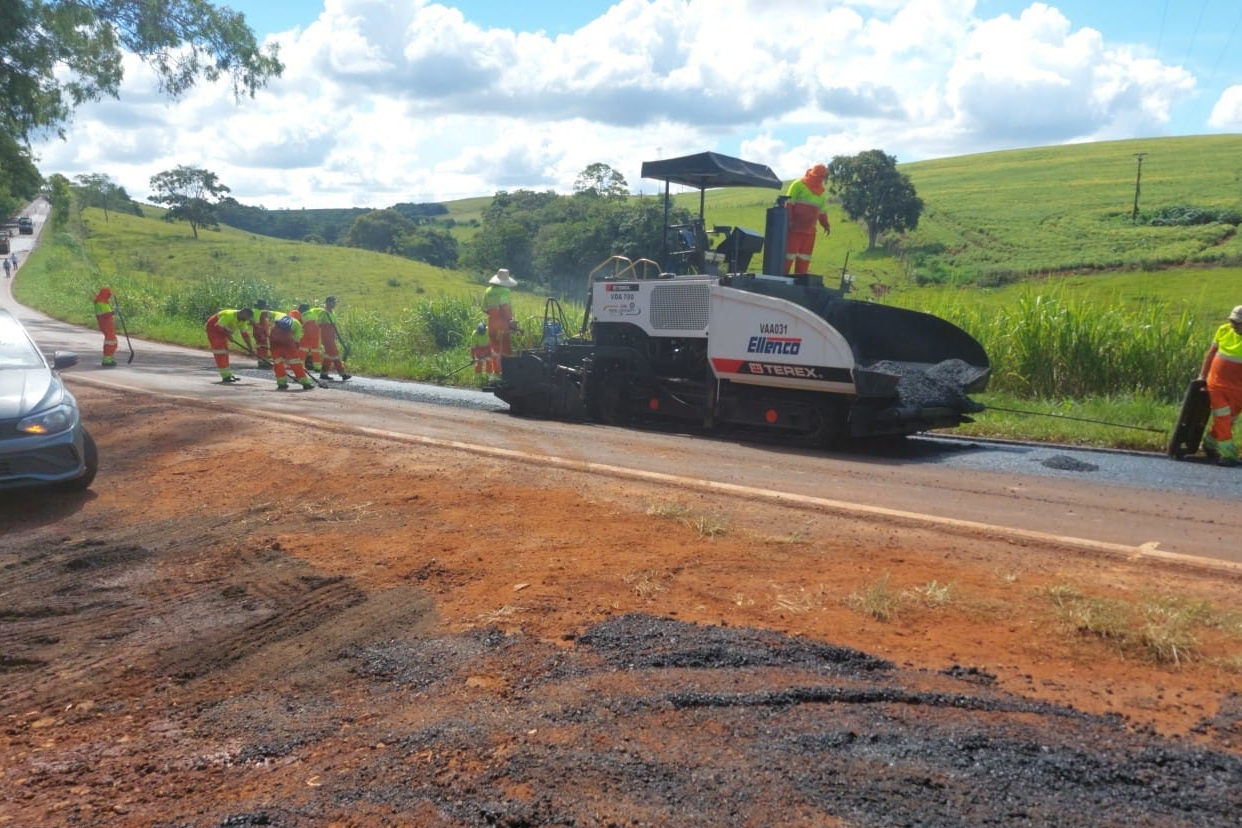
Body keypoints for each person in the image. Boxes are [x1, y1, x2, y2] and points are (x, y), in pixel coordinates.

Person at [1198, 304, 1242, 467]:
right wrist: (1202, 376)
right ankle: (1228, 455)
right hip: (1217, 385)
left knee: (1228, 420)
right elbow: (1210, 354)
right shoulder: (1223, 330)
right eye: (1233, 321)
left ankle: (1209, 444)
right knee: (1222, 418)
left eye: (1238, 323)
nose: (1234, 325)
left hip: (1239, 390)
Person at [784, 163, 831, 275]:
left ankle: (800, 282)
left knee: (804, 258)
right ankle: (781, 279)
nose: (820, 179)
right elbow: (788, 203)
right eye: (819, 177)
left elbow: (822, 212)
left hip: (809, 233)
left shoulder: (821, 193)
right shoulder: (798, 184)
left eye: (822, 177)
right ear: (813, 174)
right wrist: (789, 221)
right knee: (787, 257)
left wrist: (825, 224)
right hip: (794, 229)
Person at [266, 313, 316, 391]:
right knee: (295, 361)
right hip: (286, 338)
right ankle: (305, 382)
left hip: (273, 336)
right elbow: (296, 341)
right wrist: (293, 353)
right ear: (299, 318)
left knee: (277, 361)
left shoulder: (280, 315)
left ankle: (281, 383)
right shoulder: (297, 323)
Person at [204, 307, 255, 382]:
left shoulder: (242, 321)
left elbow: (245, 335)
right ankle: (225, 377)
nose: (247, 320)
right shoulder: (229, 315)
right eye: (248, 317)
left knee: (225, 352)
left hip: (222, 332)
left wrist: (250, 348)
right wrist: (228, 335)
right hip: (213, 329)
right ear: (243, 313)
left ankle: (228, 374)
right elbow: (218, 326)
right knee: (220, 352)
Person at [483, 268, 516, 374]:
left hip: (491, 325)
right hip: (503, 325)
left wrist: (494, 315)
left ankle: (495, 373)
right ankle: (505, 373)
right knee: (505, 349)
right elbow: (504, 306)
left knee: (495, 350)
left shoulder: (488, 290)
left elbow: (484, 308)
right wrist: (510, 320)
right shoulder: (505, 291)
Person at [316, 295, 352, 381]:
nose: (335, 304)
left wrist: (335, 334)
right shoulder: (323, 313)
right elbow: (318, 323)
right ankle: (342, 374)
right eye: (333, 302)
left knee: (330, 356)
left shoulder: (332, 312)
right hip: (326, 337)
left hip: (331, 337)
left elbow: (334, 325)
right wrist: (327, 327)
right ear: (328, 303)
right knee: (335, 354)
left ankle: (324, 373)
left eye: (335, 302)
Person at [93, 286, 119, 367]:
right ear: (105, 294)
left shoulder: (104, 302)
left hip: (108, 325)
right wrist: (113, 312)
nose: (109, 296)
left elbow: (107, 313)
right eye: (108, 295)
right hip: (105, 325)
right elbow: (104, 315)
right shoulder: (100, 303)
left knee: (113, 342)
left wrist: (113, 311)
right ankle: (107, 360)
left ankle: (109, 358)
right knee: (110, 342)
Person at [251, 299, 272, 366]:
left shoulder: (258, 311)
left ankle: (263, 360)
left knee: (263, 346)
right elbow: (256, 323)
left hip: (261, 331)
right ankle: (262, 362)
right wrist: (261, 332)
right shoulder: (257, 312)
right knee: (262, 346)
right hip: (260, 332)